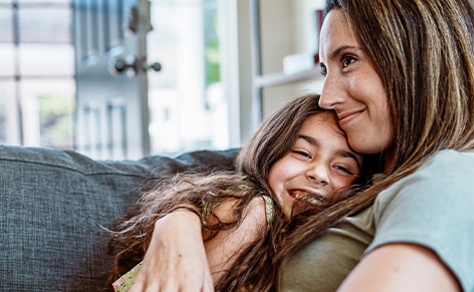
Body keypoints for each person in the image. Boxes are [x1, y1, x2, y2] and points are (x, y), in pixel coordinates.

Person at [126, 0, 474, 291]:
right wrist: (178, 220)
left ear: (417, 60)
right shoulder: (374, 178)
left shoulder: (455, 177)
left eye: (348, 60)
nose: (326, 97)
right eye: (326, 70)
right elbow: (254, 171)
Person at [104, 94, 371, 291]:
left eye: (342, 168)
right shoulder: (252, 209)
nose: (320, 174)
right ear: (270, 151)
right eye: (302, 153)